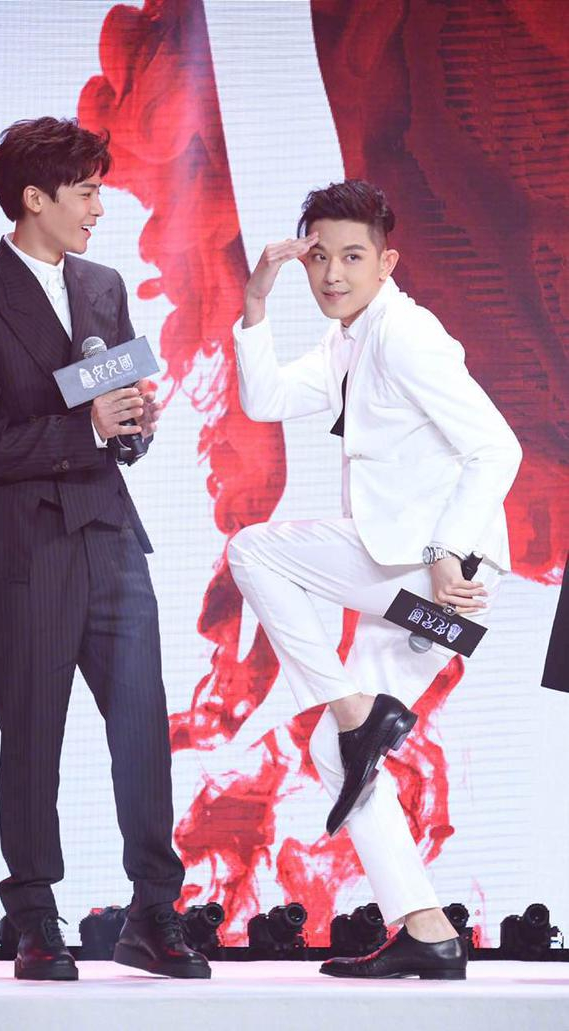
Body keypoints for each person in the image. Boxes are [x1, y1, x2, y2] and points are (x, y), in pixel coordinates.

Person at [228, 180, 522, 979]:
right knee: (335, 749)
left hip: (433, 575)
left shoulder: (405, 335)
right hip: (411, 572)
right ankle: (427, 929)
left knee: (254, 550)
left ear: (386, 262)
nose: (332, 274)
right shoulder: (348, 340)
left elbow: (498, 447)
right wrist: (256, 301)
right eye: (318, 257)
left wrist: (448, 549)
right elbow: (264, 398)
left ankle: (357, 710)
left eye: (352, 257)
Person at [0, 117, 209, 981]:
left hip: (110, 535)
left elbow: (116, 413)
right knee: (32, 735)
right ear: (34, 198)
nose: (99, 207)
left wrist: (132, 425)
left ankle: (153, 911)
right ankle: (33, 918)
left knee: (142, 727)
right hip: (29, 552)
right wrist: (85, 427)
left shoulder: (103, 284)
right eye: (87, 191)